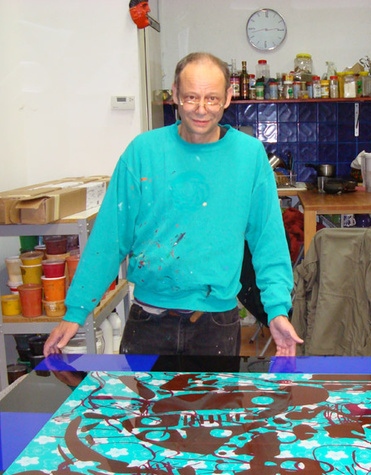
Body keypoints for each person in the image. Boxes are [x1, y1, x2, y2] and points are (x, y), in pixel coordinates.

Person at [43, 52, 302, 358]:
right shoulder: (143, 151)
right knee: (142, 394)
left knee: (213, 396)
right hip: (148, 321)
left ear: (228, 97)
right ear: (175, 94)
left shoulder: (250, 155)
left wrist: (276, 309)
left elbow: (268, 241)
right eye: (191, 97)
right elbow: (110, 237)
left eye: (212, 98)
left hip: (216, 324)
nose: (201, 109)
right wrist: (76, 310)